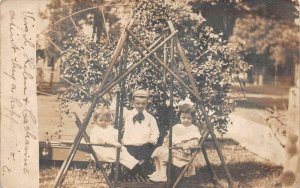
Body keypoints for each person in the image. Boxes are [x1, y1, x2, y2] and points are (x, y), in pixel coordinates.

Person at [149, 102, 201, 182]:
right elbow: (169, 138)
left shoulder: (193, 129)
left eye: (188, 118)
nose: (186, 120)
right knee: (158, 150)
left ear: (192, 118)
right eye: (183, 117)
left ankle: (163, 176)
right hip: (173, 150)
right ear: (180, 117)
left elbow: (194, 142)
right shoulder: (177, 127)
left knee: (165, 153)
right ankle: (158, 172)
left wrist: (188, 145)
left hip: (183, 154)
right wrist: (166, 142)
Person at [122, 89, 160, 163]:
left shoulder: (150, 118)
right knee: (127, 156)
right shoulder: (127, 115)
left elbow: (155, 132)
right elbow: (114, 110)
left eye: (143, 104)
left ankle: (141, 163)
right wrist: (117, 95)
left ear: (146, 103)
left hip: (144, 146)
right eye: (138, 103)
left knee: (152, 148)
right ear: (133, 103)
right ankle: (134, 166)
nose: (140, 106)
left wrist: (152, 140)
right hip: (129, 145)